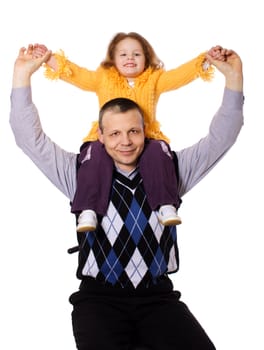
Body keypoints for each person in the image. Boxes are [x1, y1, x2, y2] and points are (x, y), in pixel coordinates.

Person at [10, 44, 244, 350]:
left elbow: (222, 136)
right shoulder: (79, 174)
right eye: (116, 134)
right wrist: (22, 74)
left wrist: (234, 79)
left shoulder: (170, 170)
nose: (125, 142)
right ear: (100, 136)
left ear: (145, 132)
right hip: (99, 300)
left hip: (157, 297)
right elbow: (29, 137)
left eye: (133, 132)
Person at [32, 32, 219, 232]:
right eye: (123, 54)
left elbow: (180, 75)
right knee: (93, 156)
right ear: (113, 59)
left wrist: (207, 59)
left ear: (146, 58)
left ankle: (165, 205)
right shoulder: (102, 79)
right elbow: (76, 74)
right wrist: (49, 58)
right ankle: (88, 209)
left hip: (144, 139)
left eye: (137, 54)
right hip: (107, 140)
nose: (130, 58)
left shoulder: (154, 80)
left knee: (159, 153)